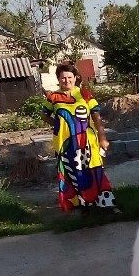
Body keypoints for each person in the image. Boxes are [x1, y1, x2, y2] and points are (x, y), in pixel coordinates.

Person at [44, 63, 115, 212]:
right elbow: (44, 115)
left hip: (87, 141)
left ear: (75, 78)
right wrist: (57, 125)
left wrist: (102, 137)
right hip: (65, 143)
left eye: (69, 77)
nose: (66, 80)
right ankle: (78, 204)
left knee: (92, 169)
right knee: (71, 171)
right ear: (58, 79)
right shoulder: (53, 97)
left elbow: (97, 118)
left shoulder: (84, 94)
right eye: (63, 78)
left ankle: (102, 202)